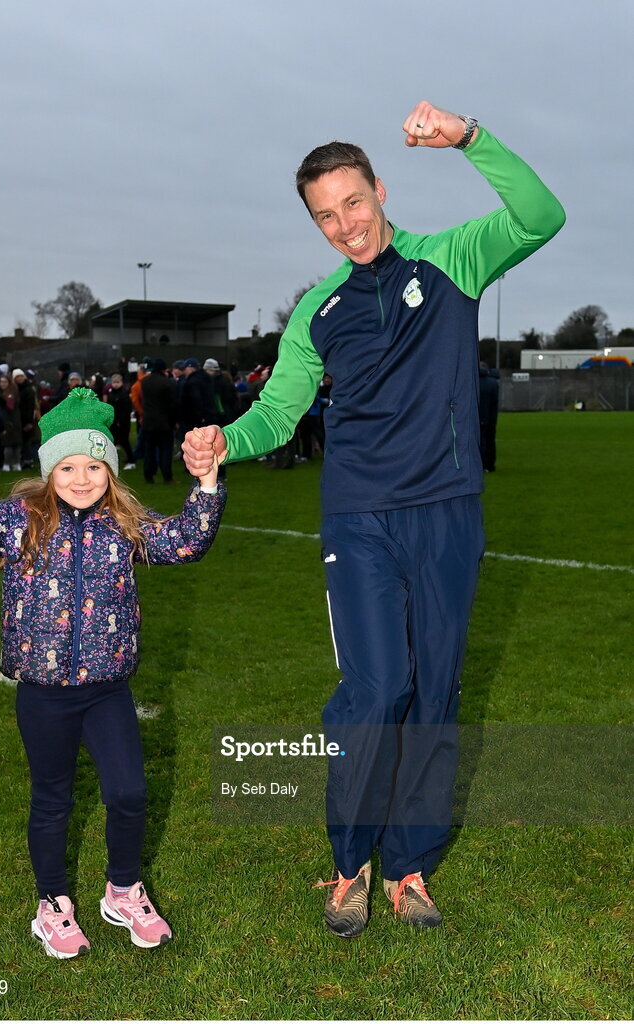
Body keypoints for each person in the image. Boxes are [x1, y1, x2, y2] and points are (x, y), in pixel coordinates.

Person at [183, 101, 565, 939]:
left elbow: (543, 215)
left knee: (432, 689)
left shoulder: (454, 259)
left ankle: (410, 864)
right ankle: (349, 860)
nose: (344, 225)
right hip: (358, 517)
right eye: (325, 215)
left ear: (380, 189)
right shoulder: (318, 310)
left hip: (447, 512)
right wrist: (225, 439)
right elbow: (279, 415)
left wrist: (468, 136)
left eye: (353, 203)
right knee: (376, 688)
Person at [0, 387, 225, 959]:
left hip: (107, 689)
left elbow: (186, 542)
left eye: (94, 465)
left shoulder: (124, 523)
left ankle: (123, 889)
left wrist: (207, 484)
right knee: (53, 800)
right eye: (68, 466)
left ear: (111, 471)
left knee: (129, 792)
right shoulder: (21, 520)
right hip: (43, 694)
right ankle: (52, 904)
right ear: (49, 471)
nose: (82, 478)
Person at [478, 363, 500, 472]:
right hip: (491, 418)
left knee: (479, 441)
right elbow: (495, 402)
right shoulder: (493, 383)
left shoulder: (473, 383)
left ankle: (480, 464)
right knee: (490, 442)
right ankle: (490, 465)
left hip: (476, 418)